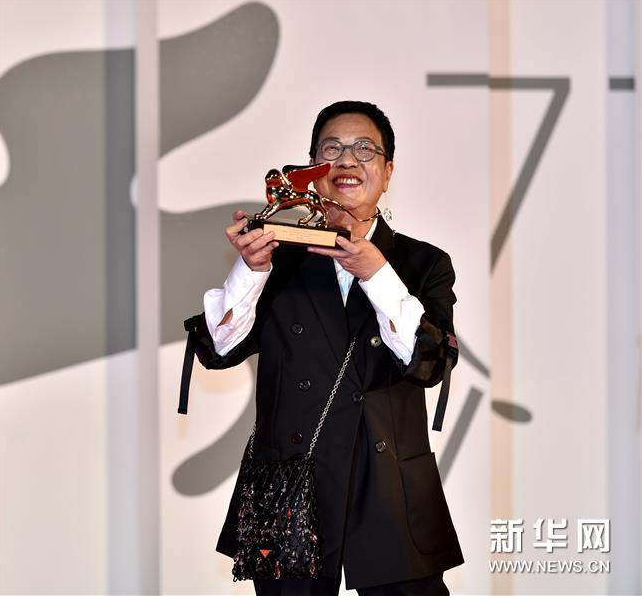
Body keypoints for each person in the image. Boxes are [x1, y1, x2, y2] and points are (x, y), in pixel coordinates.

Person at [181, 101, 464, 595]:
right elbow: (218, 350)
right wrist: (250, 270)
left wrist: (376, 273)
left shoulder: (424, 263)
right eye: (331, 149)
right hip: (292, 488)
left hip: (390, 489)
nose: (347, 160)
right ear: (312, 170)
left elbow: (429, 363)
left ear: (387, 172)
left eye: (365, 149)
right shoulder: (278, 257)